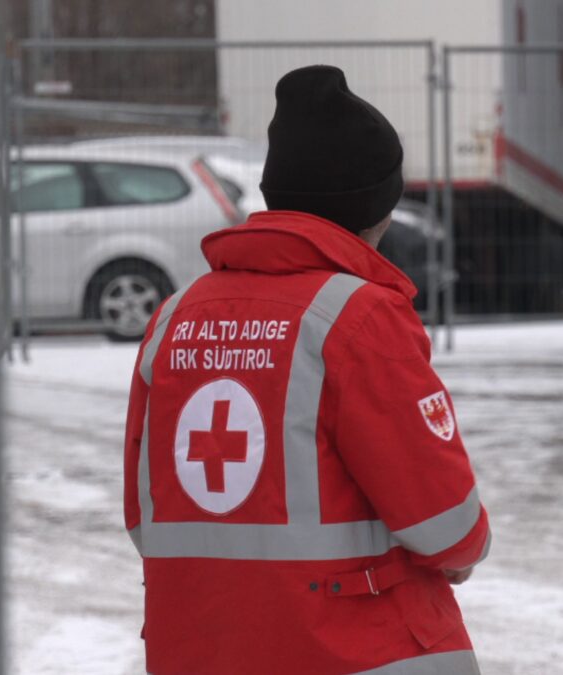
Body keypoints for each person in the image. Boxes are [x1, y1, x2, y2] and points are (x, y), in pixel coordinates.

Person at [123, 65, 491, 675]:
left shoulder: (174, 318)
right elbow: (444, 523)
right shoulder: (359, 318)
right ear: (376, 209)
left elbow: (146, 517)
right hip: (358, 650)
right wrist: (465, 547)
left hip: (198, 650)